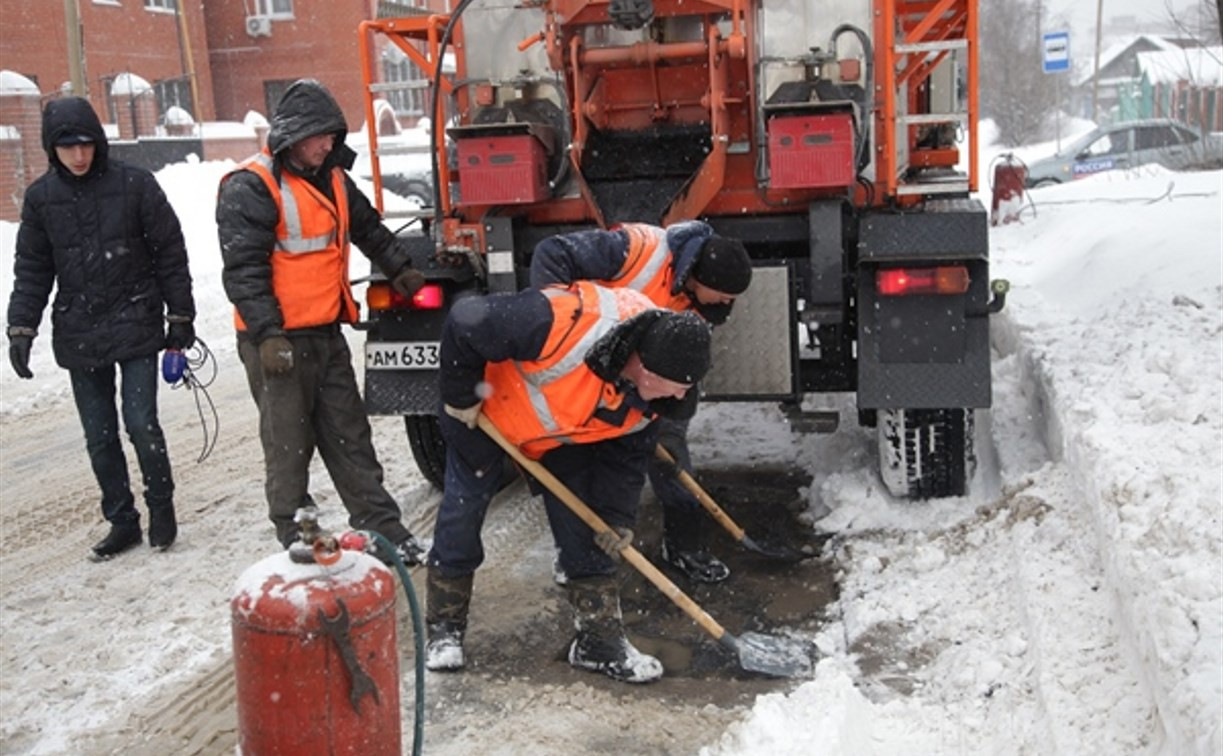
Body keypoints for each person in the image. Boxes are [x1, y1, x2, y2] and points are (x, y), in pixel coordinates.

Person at [427, 281, 712, 683]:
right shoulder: (557, 323)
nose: (680, 396)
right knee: (464, 510)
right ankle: (444, 629)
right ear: (645, 368)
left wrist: (617, 520)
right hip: (484, 416)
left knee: (589, 524)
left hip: (562, 436)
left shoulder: (655, 397)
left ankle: (598, 641)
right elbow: (465, 322)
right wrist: (460, 398)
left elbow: (627, 462)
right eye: (676, 387)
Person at [216, 79, 427, 563]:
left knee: (349, 435)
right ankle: (294, 528)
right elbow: (244, 270)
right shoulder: (252, 186)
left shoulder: (333, 177)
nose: (329, 145)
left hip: (326, 333)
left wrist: (402, 269)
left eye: (333, 136)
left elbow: (369, 229)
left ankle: (383, 527)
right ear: (293, 136)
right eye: (319, 137)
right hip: (277, 340)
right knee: (289, 440)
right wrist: (268, 335)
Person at [6, 96, 196, 561]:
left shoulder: (136, 186)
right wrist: (20, 328)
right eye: (68, 146)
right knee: (100, 435)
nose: (79, 155)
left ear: (97, 143)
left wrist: (181, 316)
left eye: (86, 144)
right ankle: (122, 520)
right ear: (53, 149)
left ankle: (161, 508)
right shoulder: (41, 200)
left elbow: (169, 252)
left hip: (136, 323)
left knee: (141, 423)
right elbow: (32, 270)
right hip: (80, 330)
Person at [529, 220, 752, 583]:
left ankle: (684, 545)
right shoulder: (640, 250)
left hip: (649, 381)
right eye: (725, 295)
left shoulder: (703, 306)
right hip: (591, 371)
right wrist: (560, 327)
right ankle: (578, 554)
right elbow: (552, 254)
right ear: (701, 276)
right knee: (582, 462)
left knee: (669, 446)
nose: (728, 305)